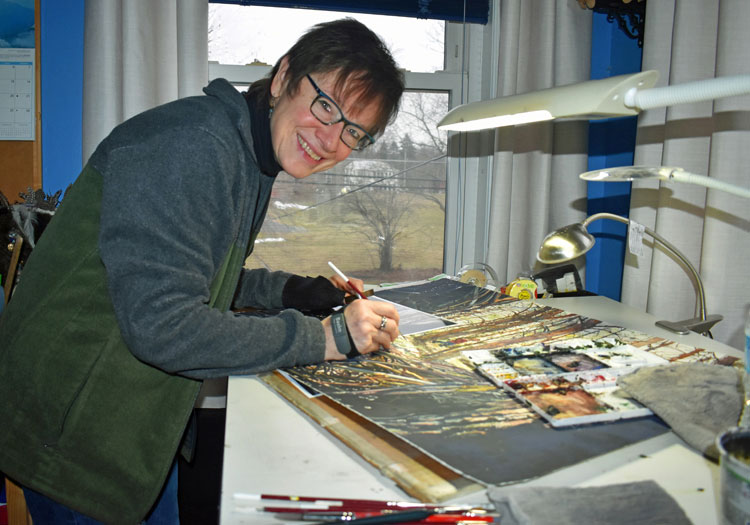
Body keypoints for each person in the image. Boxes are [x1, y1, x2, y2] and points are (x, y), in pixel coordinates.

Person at [0, 18, 404, 524]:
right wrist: (324, 339)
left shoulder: (249, 156)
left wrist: (297, 291)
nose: (330, 139)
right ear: (283, 79)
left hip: (131, 424)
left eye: (353, 133)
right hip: (71, 434)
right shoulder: (193, 145)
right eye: (326, 106)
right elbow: (163, 326)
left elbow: (197, 277)